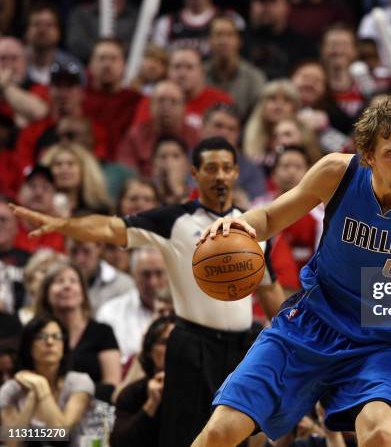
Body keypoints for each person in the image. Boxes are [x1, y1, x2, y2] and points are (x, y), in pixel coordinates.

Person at [191, 96, 391, 447]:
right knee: (221, 431)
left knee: (380, 435)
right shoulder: (337, 173)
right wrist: (234, 225)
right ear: (368, 156)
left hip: (383, 343)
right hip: (309, 325)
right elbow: (267, 218)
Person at [10, 136, 286, 447]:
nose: (220, 175)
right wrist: (64, 224)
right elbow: (110, 229)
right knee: (187, 436)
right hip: (192, 342)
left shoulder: (254, 227)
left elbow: (269, 289)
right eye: (211, 168)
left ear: (236, 172)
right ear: (194, 174)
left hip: (243, 344)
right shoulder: (174, 220)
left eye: (226, 168)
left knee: (243, 437)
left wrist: (294, 336)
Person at [0, 315, 94, 447]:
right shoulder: (11, 390)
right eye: (41, 337)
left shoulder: (79, 382)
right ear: (28, 346)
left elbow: (60, 433)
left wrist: (41, 385)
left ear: (64, 345)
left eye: (57, 337)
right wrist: (33, 395)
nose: (50, 342)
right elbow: (11, 443)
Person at [35, 262, 121, 402]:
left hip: (94, 410)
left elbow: (112, 383)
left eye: (73, 281)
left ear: (83, 293)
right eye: (59, 281)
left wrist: (77, 400)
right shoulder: (36, 333)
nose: (67, 286)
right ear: (46, 294)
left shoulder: (103, 332)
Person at [110, 315, 175, 447]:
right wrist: (152, 403)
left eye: (176, 342)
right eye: (164, 342)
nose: (173, 348)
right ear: (150, 351)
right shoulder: (133, 393)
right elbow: (119, 442)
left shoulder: (199, 390)